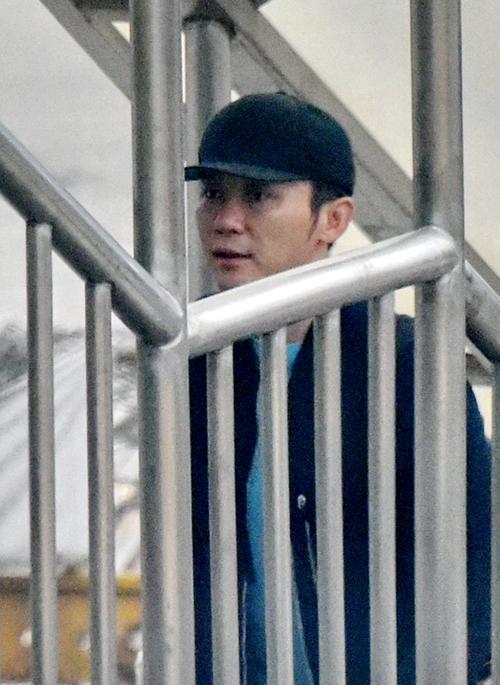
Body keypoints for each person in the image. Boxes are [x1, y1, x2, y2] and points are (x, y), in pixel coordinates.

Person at [185, 92, 491, 684]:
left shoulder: (404, 361)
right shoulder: (195, 358)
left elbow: (472, 562)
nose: (226, 219)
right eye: (214, 194)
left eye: (259, 195)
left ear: (333, 219)